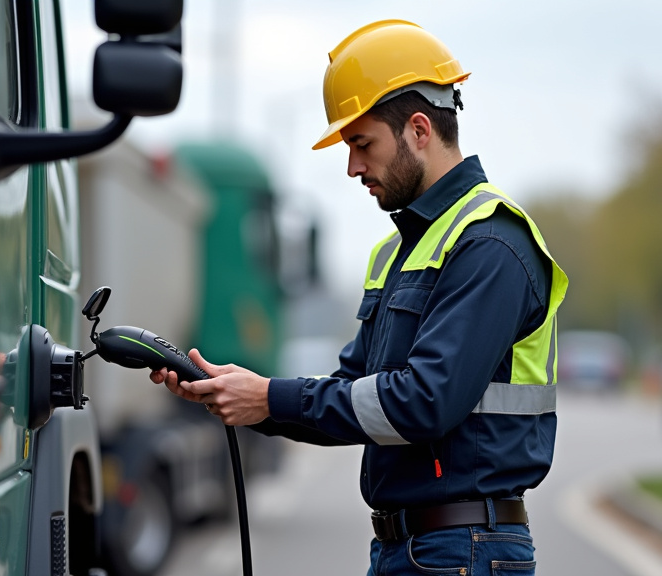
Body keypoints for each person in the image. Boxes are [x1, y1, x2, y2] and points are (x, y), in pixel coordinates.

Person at [151, 19, 568, 576]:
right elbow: (351, 394)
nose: (352, 167)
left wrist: (271, 399)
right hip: (417, 549)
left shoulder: (489, 243)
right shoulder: (398, 252)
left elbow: (424, 402)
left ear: (419, 129)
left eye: (362, 144)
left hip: (464, 549)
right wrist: (242, 392)